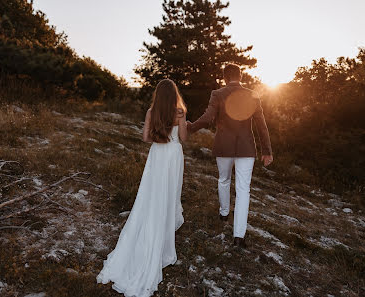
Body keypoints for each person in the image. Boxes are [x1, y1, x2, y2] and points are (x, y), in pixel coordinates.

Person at [96, 79, 187, 297]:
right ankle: (163, 233)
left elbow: (146, 138)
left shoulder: (151, 112)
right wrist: (181, 122)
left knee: (152, 194)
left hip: (157, 155)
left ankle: (151, 225)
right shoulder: (180, 112)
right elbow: (184, 138)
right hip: (173, 156)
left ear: (158, 94)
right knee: (169, 195)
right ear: (174, 94)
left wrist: (159, 136)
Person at [187, 63, 273, 248]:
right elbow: (262, 126)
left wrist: (191, 127)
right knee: (243, 190)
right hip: (246, 149)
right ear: (240, 76)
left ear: (225, 77)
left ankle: (224, 213)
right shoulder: (252, 95)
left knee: (224, 179)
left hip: (223, 146)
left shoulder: (217, 94)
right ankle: (239, 236)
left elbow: (208, 117)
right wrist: (267, 151)